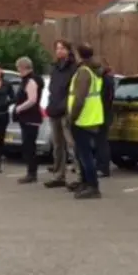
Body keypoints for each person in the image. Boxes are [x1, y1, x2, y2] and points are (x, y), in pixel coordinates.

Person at [67, 43, 107, 199]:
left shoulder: (84, 72)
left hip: (83, 119)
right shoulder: (94, 70)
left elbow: (79, 99)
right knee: (82, 153)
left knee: (85, 155)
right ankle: (86, 183)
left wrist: (72, 117)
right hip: (92, 117)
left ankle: (92, 186)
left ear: (78, 55)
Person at [44, 40, 80, 189]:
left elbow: (73, 91)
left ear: (68, 50)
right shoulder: (55, 68)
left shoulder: (74, 68)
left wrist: (65, 106)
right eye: (57, 48)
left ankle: (80, 175)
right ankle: (59, 175)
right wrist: (51, 105)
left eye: (62, 48)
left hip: (66, 111)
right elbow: (53, 89)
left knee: (72, 144)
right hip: (54, 110)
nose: (59, 51)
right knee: (58, 145)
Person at [13, 56, 44, 184]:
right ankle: (31, 172)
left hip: (31, 117)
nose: (18, 71)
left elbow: (32, 100)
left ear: (23, 67)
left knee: (29, 146)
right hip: (27, 117)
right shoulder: (27, 80)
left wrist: (19, 108)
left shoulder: (30, 81)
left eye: (18, 68)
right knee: (27, 145)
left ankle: (32, 173)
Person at [96, 59, 115, 178]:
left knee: (101, 142)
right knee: (100, 142)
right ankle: (101, 166)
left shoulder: (105, 80)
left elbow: (106, 99)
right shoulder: (107, 79)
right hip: (103, 114)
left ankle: (103, 168)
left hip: (102, 114)